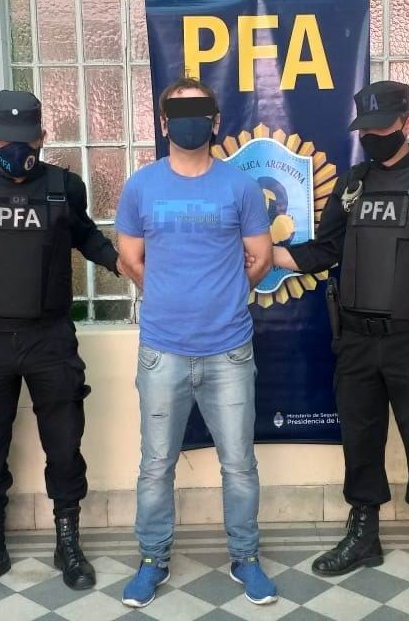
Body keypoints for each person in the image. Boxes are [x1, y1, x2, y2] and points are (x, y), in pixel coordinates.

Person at [273, 80, 409, 609]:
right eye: (365, 130)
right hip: (356, 341)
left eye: (382, 128)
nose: (372, 138)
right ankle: (364, 534)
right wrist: (263, 252)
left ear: (408, 124)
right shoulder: (353, 184)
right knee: (360, 441)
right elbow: (323, 251)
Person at [0, 90, 120, 599]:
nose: (17, 150)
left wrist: (124, 263)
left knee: (65, 444)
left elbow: (87, 237)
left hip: (50, 338)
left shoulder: (64, 188)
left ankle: (67, 542)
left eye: (27, 141)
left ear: (42, 138)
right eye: (6, 140)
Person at [116, 77, 277, 608]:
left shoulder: (239, 188)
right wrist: (166, 292)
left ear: (215, 121)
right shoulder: (141, 186)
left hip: (229, 350)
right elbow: (129, 259)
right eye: (178, 113)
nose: (189, 122)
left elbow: (261, 258)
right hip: (162, 350)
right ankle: (152, 560)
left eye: (199, 112)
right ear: (164, 123)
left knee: (239, 464)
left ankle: (245, 557)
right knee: (155, 465)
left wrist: (226, 293)